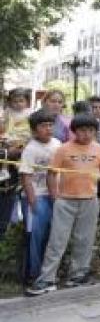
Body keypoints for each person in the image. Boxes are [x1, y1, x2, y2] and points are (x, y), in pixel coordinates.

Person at [26, 113, 100, 295]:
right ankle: (47, 279)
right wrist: (56, 197)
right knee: (57, 240)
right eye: (81, 130)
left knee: (84, 240)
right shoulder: (63, 149)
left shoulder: (99, 149)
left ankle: (78, 275)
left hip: (89, 200)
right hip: (65, 201)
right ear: (73, 132)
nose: (86, 134)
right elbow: (51, 174)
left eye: (90, 130)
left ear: (95, 132)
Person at [19, 109, 61, 281]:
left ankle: (49, 272)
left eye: (51, 125)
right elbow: (25, 177)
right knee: (36, 236)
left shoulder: (57, 144)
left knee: (53, 235)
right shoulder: (30, 149)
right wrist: (32, 201)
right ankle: (33, 273)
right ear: (34, 130)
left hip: (55, 195)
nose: (48, 129)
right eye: (43, 126)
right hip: (37, 196)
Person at [0, 88, 31, 234]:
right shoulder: (7, 113)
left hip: (22, 140)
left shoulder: (29, 115)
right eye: (15, 101)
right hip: (8, 139)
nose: (18, 104)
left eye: (21, 101)